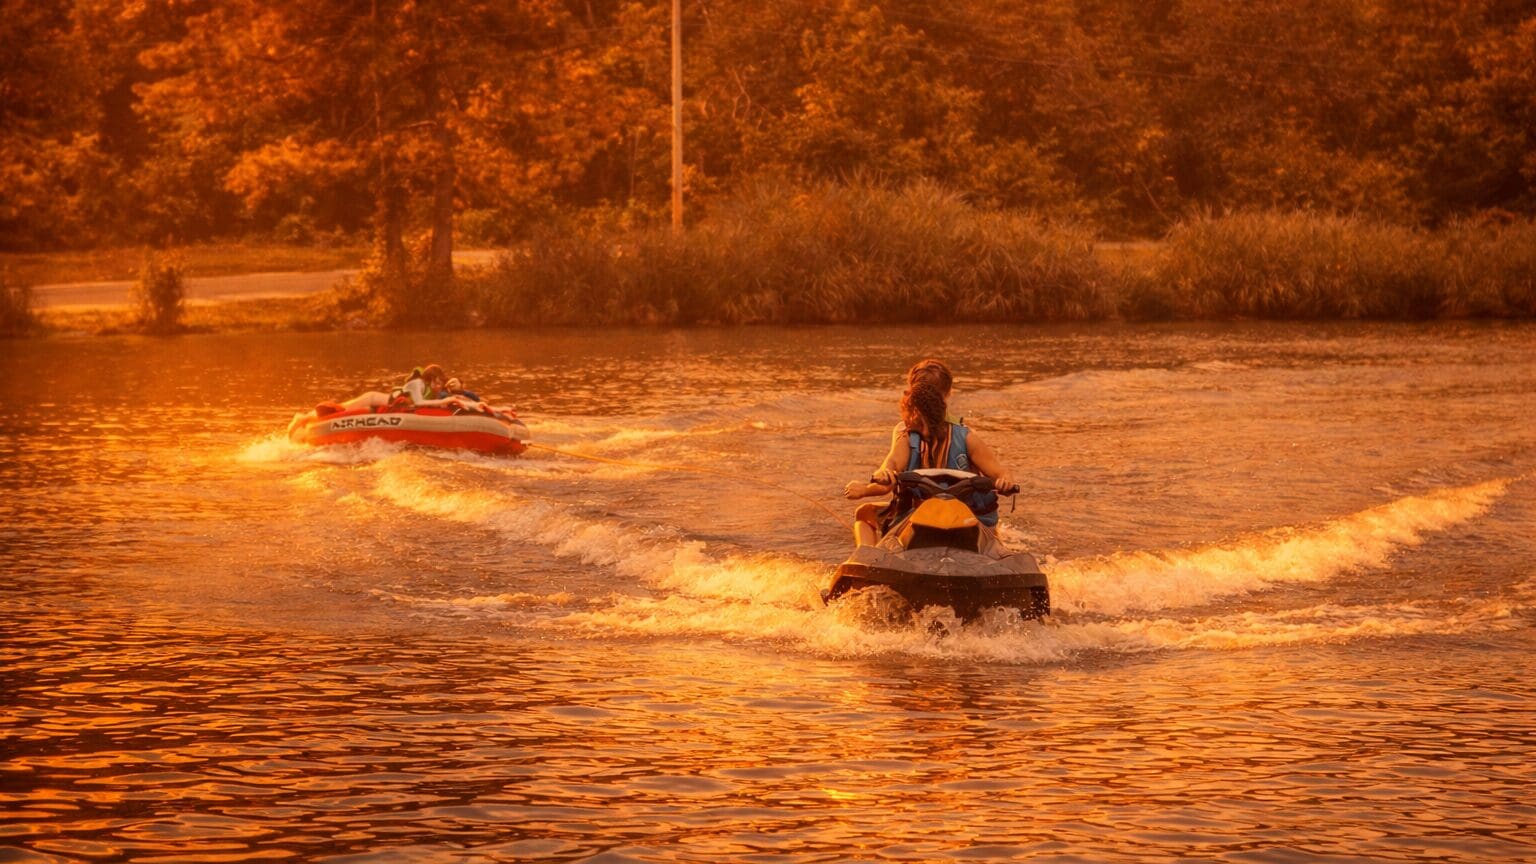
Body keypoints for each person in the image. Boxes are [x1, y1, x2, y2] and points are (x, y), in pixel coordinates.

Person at [843, 374, 1013, 546]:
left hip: (967, 513)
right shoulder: (908, 439)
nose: (904, 419)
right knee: (865, 512)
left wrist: (1005, 482)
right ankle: (868, 560)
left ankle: (867, 555)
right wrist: (879, 476)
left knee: (864, 513)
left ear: (915, 412)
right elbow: (892, 464)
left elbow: (1000, 473)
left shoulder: (966, 439)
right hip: (920, 512)